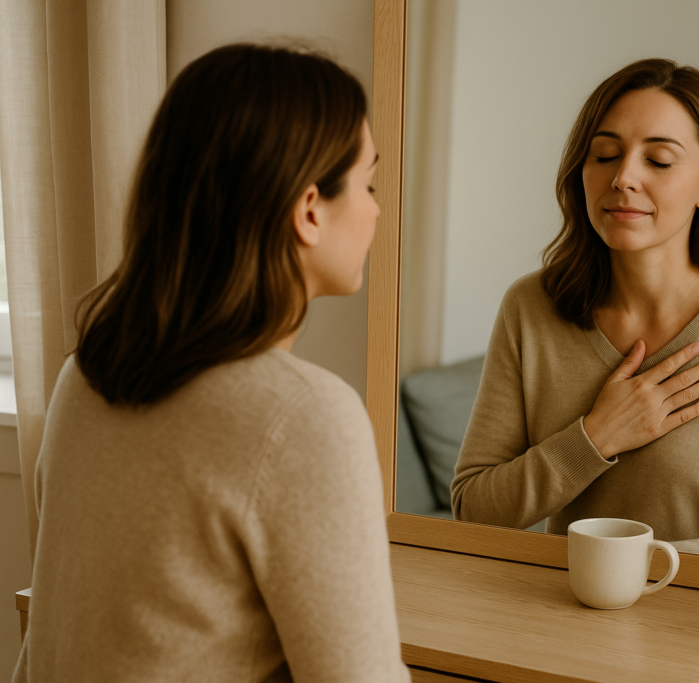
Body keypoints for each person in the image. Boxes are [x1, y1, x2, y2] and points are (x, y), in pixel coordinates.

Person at [14, 44, 410, 682]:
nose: (376, 209)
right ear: (309, 210)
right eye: (368, 183)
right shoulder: (305, 415)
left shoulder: (85, 375)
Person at [450, 59, 699, 569]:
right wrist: (595, 437)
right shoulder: (530, 308)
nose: (624, 177)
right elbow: (474, 507)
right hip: (554, 629)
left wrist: (637, 564)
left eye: (658, 160)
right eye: (605, 154)